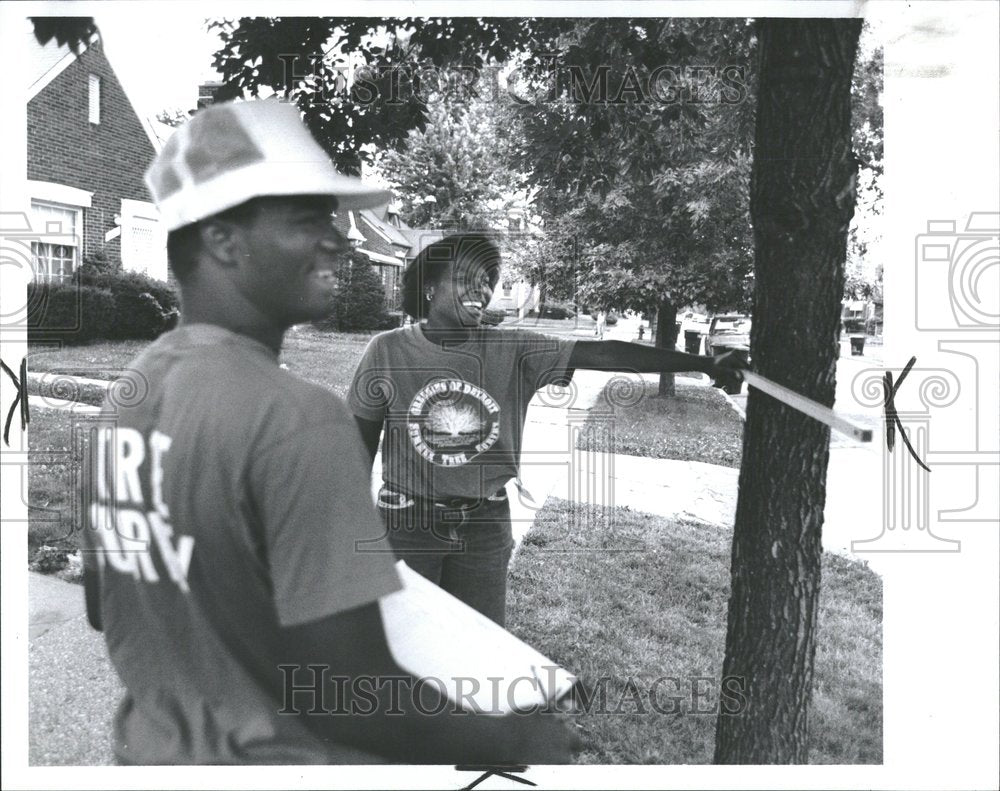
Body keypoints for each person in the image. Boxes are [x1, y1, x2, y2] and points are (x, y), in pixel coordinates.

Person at [81, 100, 575, 765]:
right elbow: (354, 695)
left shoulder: (128, 395)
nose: (338, 240)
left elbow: (103, 603)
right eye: (306, 219)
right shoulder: (297, 420)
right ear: (224, 238)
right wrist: (511, 736)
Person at [348, 233, 744, 626]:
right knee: (404, 644)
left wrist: (705, 364)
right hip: (406, 526)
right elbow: (357, 450)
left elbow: (606, 353)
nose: (482, 289)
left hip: (484, 527)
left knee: (478, 643)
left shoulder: (512, 349)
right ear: (430, 287)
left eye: (488, 280)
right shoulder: (387, 351)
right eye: (466, 277)